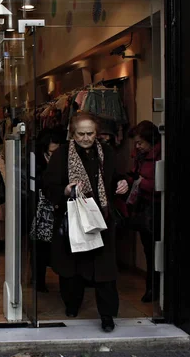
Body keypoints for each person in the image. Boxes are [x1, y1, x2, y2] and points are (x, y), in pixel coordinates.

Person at [43, 111, 129, 332]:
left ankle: (107, 316)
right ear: (73, 133)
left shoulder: (106, 152)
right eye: (80, 134)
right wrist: (65, 189)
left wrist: (122, 183)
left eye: (90, 133)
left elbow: (117, 176)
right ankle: (72, 304)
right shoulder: (61, 154)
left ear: (96, 133)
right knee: (71, 268)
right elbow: (49, 186)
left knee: (104, 271)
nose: (85, 138)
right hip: (73, 218)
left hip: (101, 219)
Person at [126, 120, 162, 303]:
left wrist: (140, 183)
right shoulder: (141, 156)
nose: (137, 146)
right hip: (143, 207)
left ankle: (156, 288)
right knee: (149, 251)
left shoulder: (160, 156)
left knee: (157, 251)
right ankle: (151, 288)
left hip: (156, 209)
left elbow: (160, 184)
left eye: (140, 142)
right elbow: (134, 175)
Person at [32, 129, 66, 293]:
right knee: (40, 248)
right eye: (51, 152)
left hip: (60, 210)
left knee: (61, 248)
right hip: (41, 211)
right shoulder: (36, 164)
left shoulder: (66, 162)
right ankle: (39, 280)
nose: (55, 156)